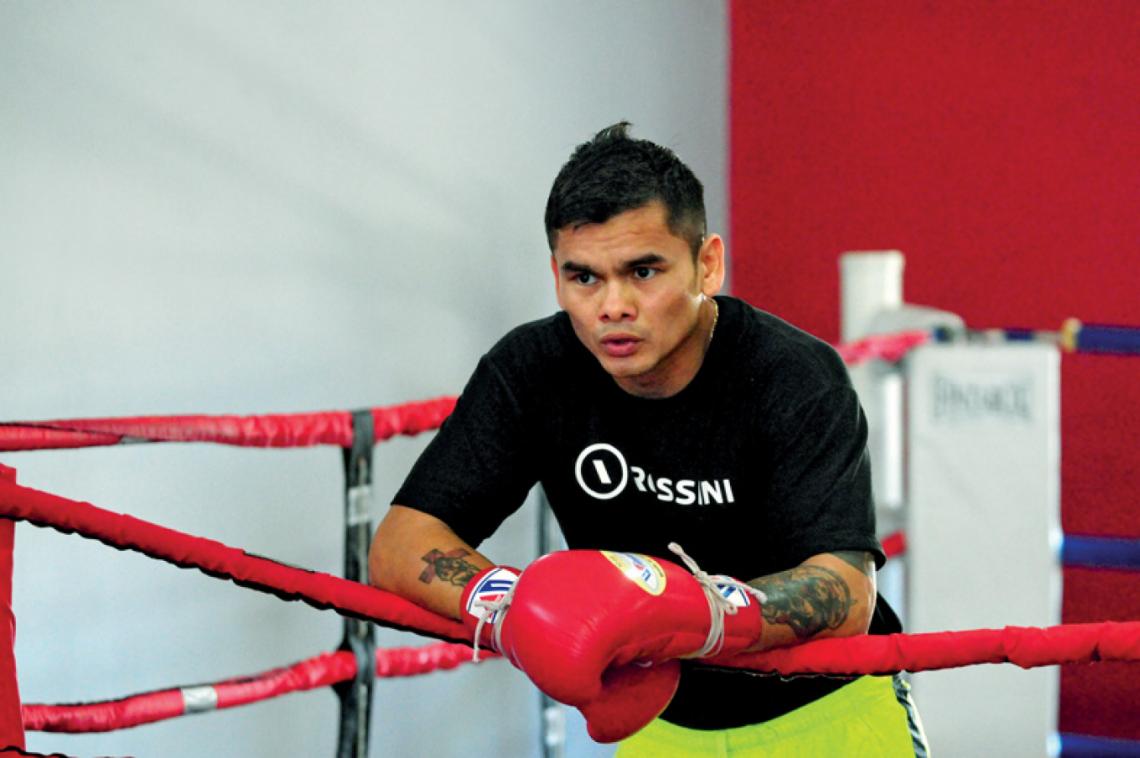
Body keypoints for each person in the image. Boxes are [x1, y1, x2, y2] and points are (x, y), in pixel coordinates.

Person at [368, 122, 928, 756]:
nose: (613, 306)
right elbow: (400, 543)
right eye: (584, 278)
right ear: (556, 276)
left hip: (827, 710)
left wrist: (698, 613)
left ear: (706, 264)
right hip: (662, 721)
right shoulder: (533, 371)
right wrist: (517, 607)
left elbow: (844, 592)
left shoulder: (792, 375)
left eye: (643, 271)